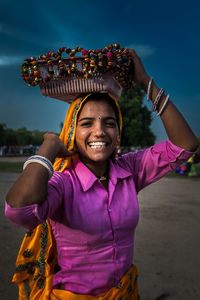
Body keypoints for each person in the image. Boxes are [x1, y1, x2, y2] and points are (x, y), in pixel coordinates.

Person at [5, 49, 199, 300]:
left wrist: (145, 82)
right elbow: (19, 211)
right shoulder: (64, 183)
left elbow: (185, 145)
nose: (99, 132)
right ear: (72, 130)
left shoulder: (129, 170)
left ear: (118, 132)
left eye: (109, 123)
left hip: (126, 292)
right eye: (87, 124)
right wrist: (50, 146)